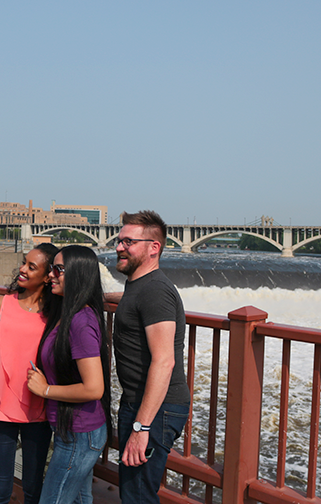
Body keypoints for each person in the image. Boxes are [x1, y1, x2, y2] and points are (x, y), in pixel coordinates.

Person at [110, 211, 190, 504]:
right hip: (144, 403)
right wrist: (97, 296)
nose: (119, 247)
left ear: (153, 248)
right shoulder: (138, 287)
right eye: (119, 240)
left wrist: (141, 428)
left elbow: (164, 361)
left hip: (156, 408)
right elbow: (135, 304)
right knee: (134, 492)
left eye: (128, 241)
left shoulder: (155, 291)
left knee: (138, 496)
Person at [26, 245, 111, 504]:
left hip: (80, 434)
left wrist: (45, 390)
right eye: (52, 268)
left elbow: (94, 388)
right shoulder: (66, 314)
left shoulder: (80, 321)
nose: (51, 275)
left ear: (78, 274)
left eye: (59, 270)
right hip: (72, 431)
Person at [0, 243, 59, 504]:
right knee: (0, 489)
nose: (22, 269)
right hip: (0, 409)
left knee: (33, 487)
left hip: (39, 410)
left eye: (31, 267)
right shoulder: (1, 305)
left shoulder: (55, 313)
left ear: (48, 277)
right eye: (24, 262)